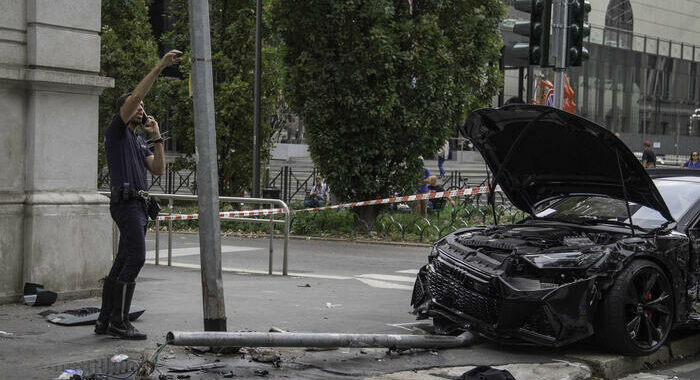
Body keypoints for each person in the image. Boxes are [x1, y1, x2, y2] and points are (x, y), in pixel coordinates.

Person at [96, 50, 182, 340]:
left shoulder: (136, 139)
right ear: (125, 111)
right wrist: (159, 67)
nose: (141, 108)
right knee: (137, 258)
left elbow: (158, 169)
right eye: (136, 105)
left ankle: (106, 319)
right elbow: (133, 98)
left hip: (138, 206)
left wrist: (156, 135)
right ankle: (119, 322)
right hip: (126, 204)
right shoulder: (116, 131)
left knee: (122, 262)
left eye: (143, 106)